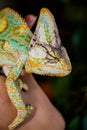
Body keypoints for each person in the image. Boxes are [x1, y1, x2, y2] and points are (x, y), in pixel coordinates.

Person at [0, 15, 65, 130]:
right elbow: (10, 81)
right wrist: (21, 110)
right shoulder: (25, 55)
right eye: (52, 58)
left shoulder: (27, 55)